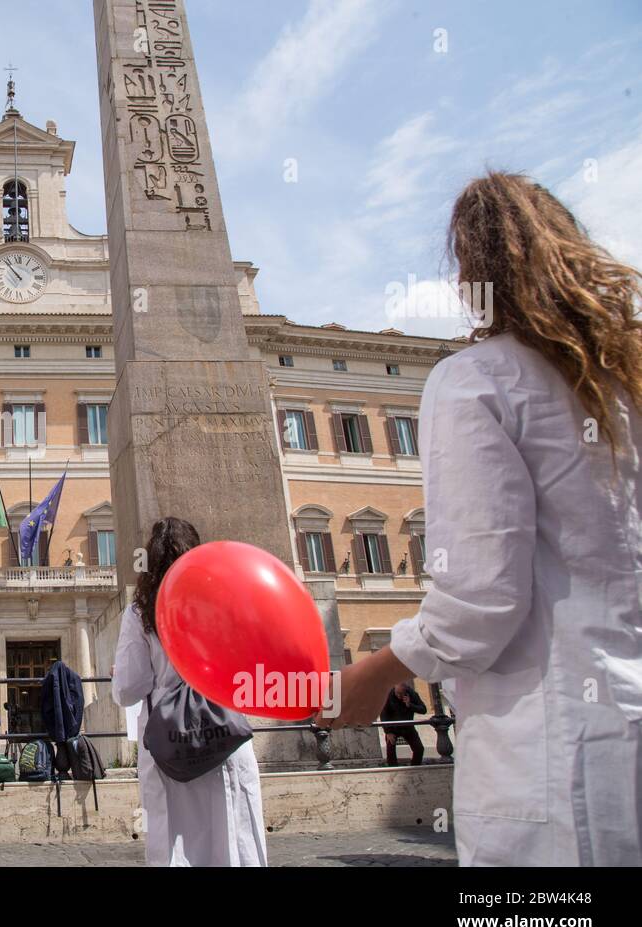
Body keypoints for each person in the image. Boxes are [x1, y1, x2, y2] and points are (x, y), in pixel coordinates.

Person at [322, 172, 642, 866]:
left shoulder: (478, 380)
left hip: (556, 756)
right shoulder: (626, 385)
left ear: (474, 270)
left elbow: (482, 599)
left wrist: (377, 670)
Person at [112, 517, 267, 867]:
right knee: (236, 843)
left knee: (175, 849)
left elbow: (127, 689)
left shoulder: (140, 612)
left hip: (170, 746)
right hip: (224, 734)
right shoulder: (226, 603)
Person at [380, 682, 427, 766]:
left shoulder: (412, 694)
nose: (399, 696)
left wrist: (410, 705)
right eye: (397, 693)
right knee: (390, 748)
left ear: (406, 691)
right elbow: (383, 714)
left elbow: (423, 710)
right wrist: (388, 732)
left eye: (402, 694)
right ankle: (393, 768)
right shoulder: (388, 695)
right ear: (394, 689)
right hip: (393, 727)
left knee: (419, 749)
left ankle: (415, 767)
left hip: (407, 726)